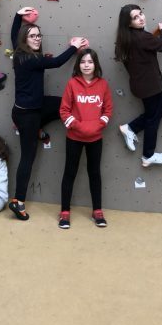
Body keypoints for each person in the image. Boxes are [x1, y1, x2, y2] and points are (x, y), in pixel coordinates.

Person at [7, 19, 86, 221]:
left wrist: (18, 16)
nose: (37, 39)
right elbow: (57, 62)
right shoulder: (32, 59)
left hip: (35, 106)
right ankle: (18, 201)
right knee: (28, 157)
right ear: (25, 40)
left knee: (63, 106)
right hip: (27, 115)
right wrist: (74, 47)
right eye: (32, 36)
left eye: (39, 36)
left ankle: (39, 131)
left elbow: (14, 32)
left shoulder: (20, 53)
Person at [58, 49, 113, 229]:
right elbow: (64, 111)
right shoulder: (72, 84)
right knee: (69, 173)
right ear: (78, 65)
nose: (87, 65)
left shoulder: (103, 85)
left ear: (95, 64)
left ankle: (97, 211)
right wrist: (79, 126)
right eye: (83, 62)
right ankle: (64, 213)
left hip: (96, 138)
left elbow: (108, 110)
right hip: (74, 137)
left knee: (94, 174)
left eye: (90, 62)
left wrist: (97, 126)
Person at [115, 4, 162, 167]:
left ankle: (130, 128)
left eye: (141, 14)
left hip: (141, 86)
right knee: (152, 120)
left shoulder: (127, 38)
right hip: (150, 87)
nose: (141, 18)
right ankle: (148, 156)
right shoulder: (142, 37)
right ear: (128, 23)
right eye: (135, 17)